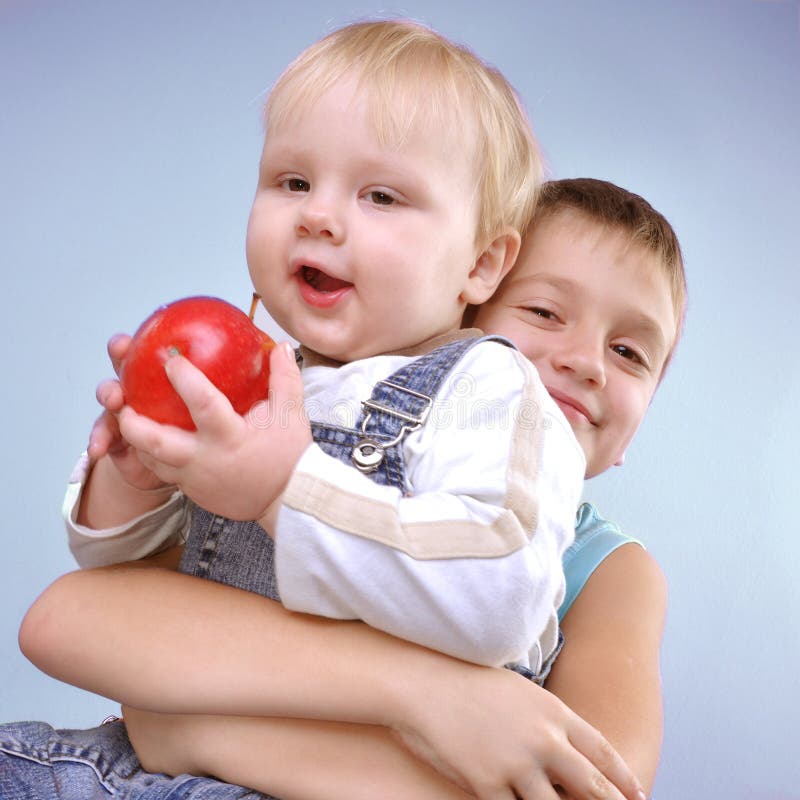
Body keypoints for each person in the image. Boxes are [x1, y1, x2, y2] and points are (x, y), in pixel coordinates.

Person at [2, 176, 683, 800]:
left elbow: (592, 788)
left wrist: (197, 729)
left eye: (630, 353)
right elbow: (72, 618)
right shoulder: (290, 435)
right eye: (542, 311)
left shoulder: (611, 571)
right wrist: (428, 695)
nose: (587, 362)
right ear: (460, 303)